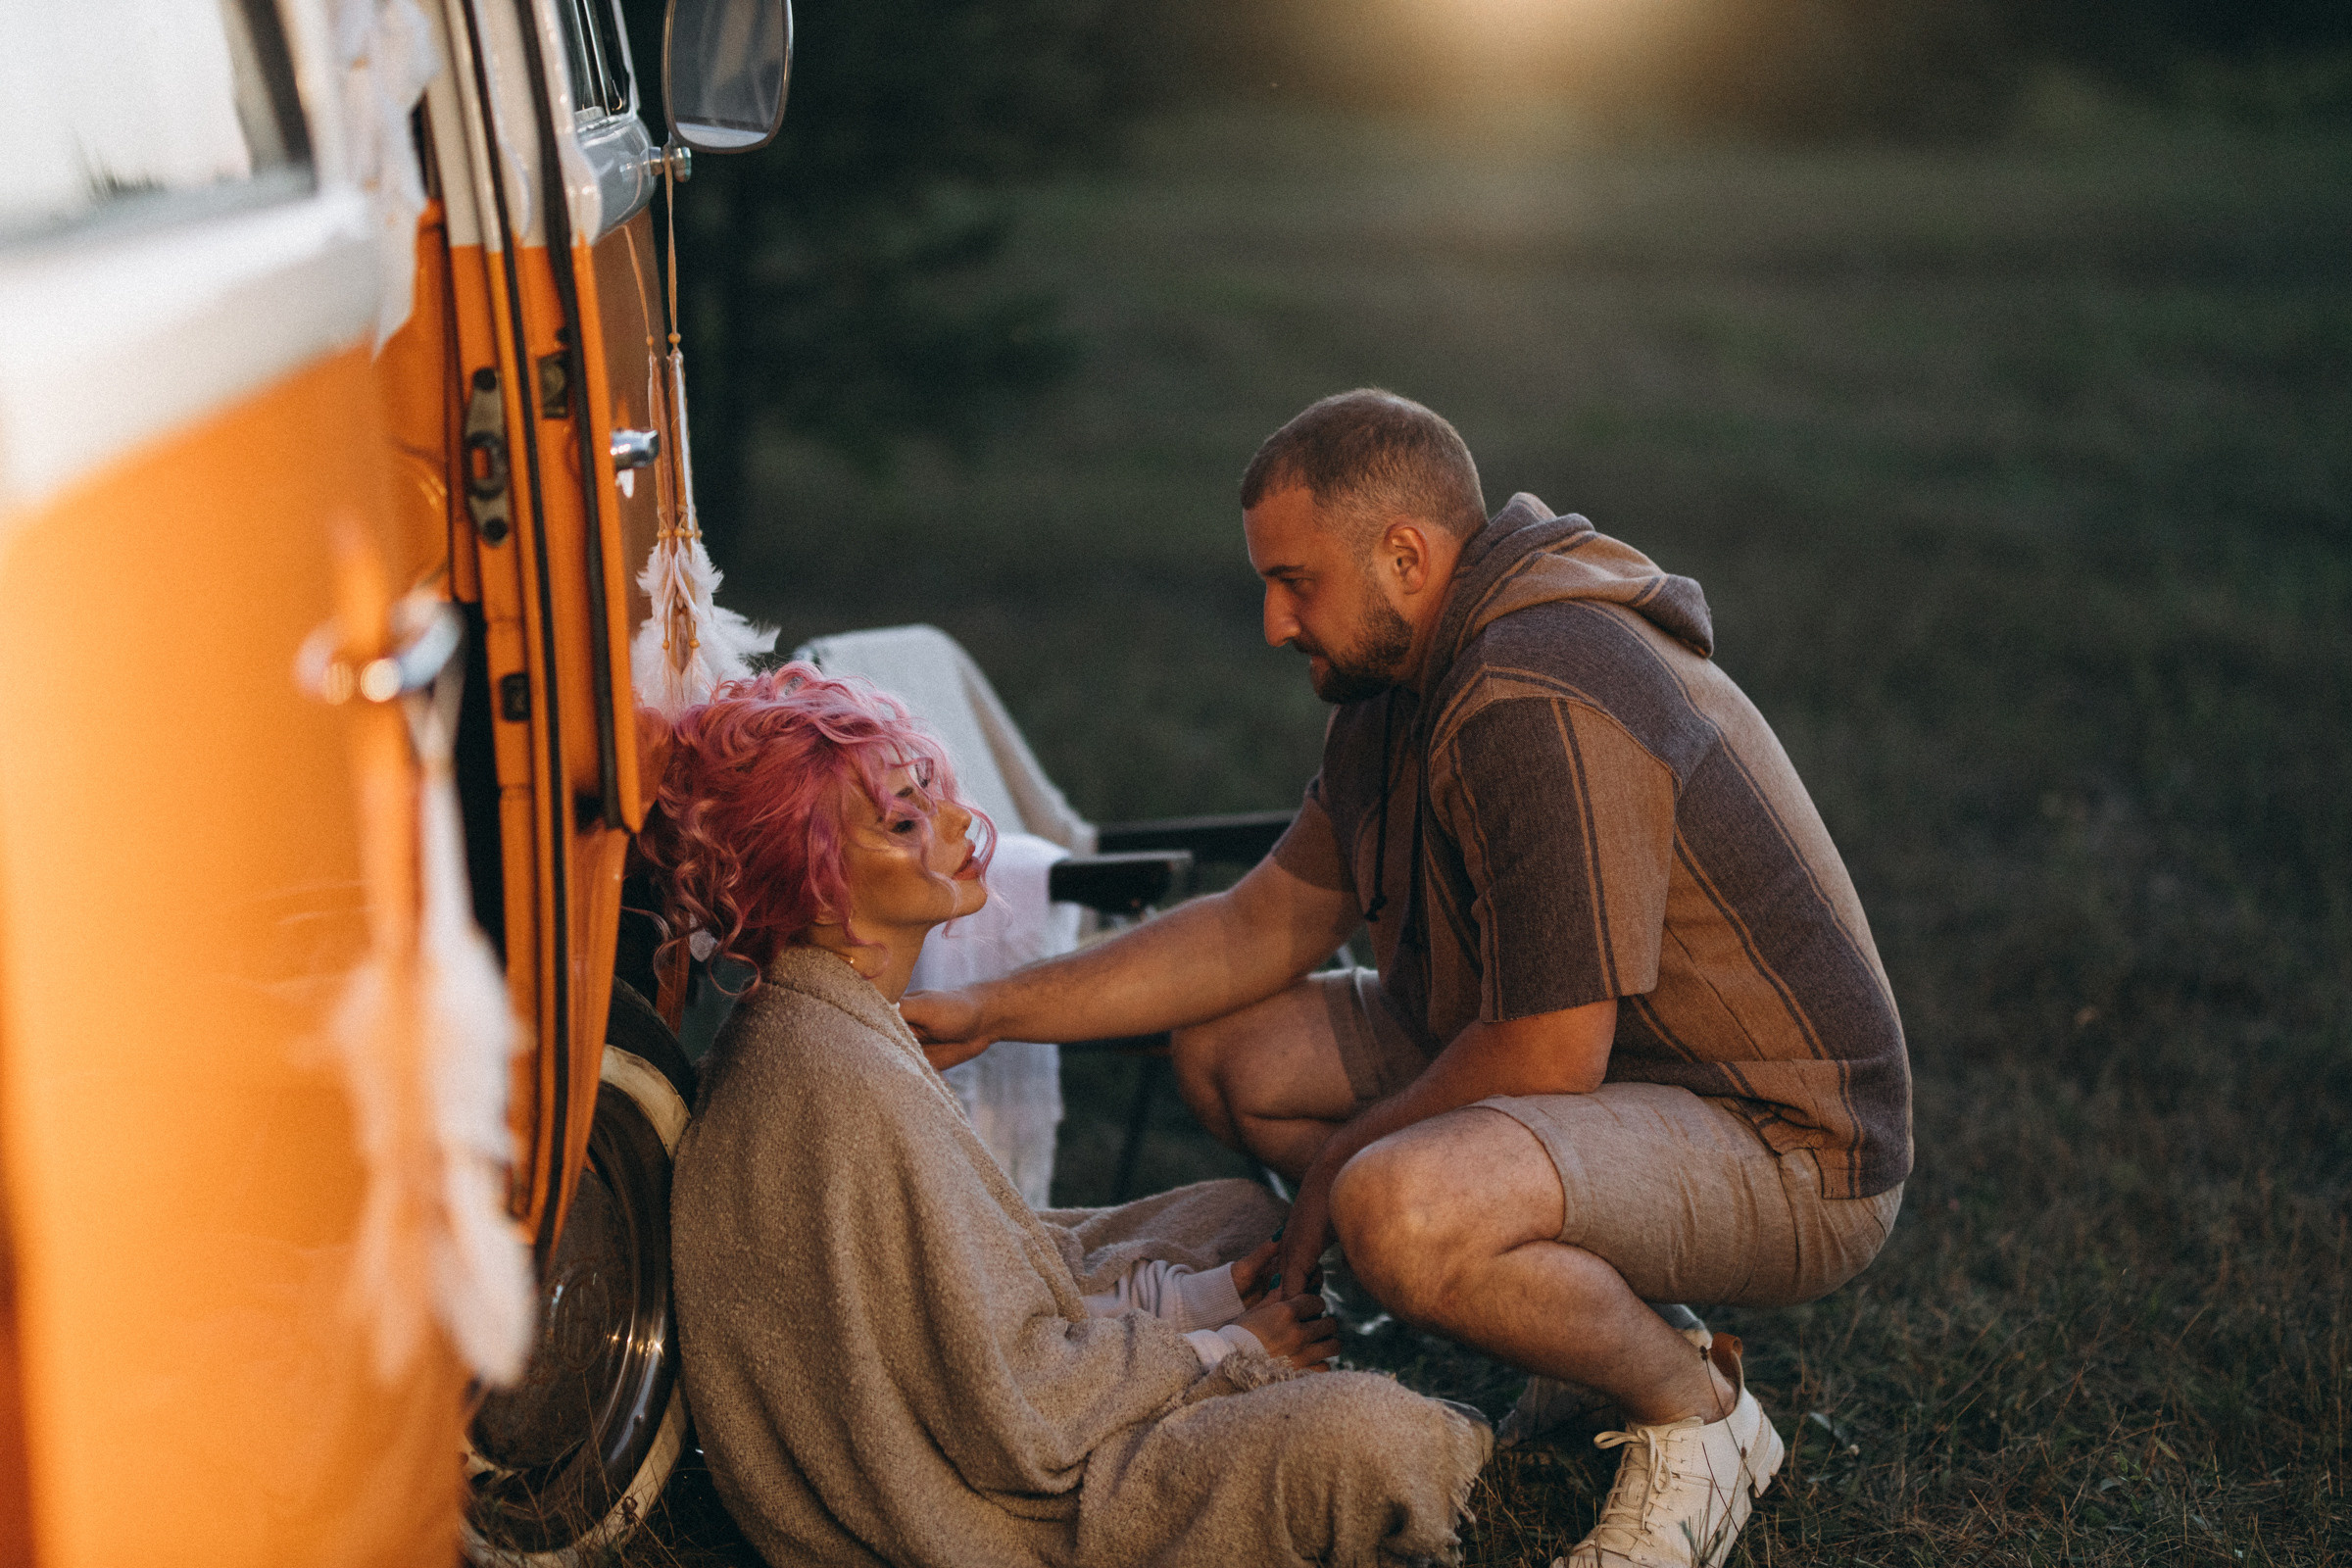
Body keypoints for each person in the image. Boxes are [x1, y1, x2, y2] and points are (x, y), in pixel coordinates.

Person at [903, 390, 1914, 1568]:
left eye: (1296, 582)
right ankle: (1608, 1333)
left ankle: (1701, 1419)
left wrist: (1343, 1164)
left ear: (1404, 554)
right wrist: (988, 1008)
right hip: (1630, 1076)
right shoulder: (1398, 685)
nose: (1276, 624)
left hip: (1790, 1141)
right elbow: (1257, 924)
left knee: (1399, 1209)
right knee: (1235, 1052)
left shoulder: (1536, 687)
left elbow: (1547, 1056)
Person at [642, 664, 1491, 1568]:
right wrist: (1220, 1349)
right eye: (903, 823)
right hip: (982, 1506)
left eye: (931, 791)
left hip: (998, 1406)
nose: (962, 825)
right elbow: (1015, 1412)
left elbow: (987, 1283)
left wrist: (1195, 1298)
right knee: (1370, 1441)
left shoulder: (825, 1023)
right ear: (815, 885)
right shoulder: (829, 1078)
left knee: (1232, 1217)